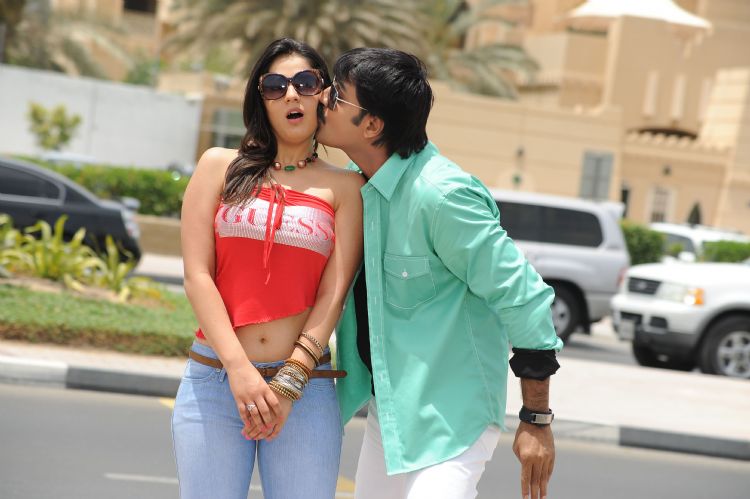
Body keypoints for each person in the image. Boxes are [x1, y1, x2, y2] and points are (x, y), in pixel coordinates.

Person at [317, 48, 563, 499]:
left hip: (454, 418)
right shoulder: (358, 184)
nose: (322, 100)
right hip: (391, 415)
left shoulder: (442, 196)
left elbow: (524, 296)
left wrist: (536, 420)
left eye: (336, 96)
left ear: (372, 125)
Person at [172, 38, 364, 499]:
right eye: (276, 85)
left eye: (305, 82)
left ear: (324, 93)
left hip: (304, 389)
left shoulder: (347, 187)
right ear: (261, 98)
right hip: (215, 381)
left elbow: (333, 295)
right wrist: (239, 370)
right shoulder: (218, 166)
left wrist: (289, 382)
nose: (291, 94)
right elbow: (197, 276)